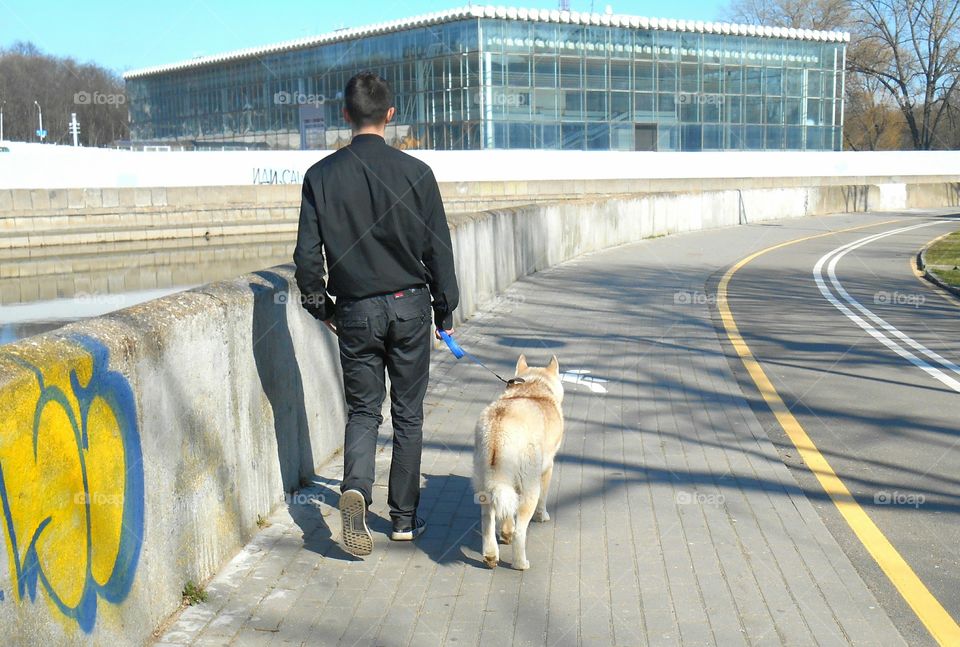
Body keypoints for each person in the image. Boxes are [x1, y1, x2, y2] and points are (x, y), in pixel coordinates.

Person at [293, 71, 459, 557]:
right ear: (390, 115)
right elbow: (439, 251)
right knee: (408, 415)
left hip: (356, 311)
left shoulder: (319, 176)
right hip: (410, 306)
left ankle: (357, 491)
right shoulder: (417, 174)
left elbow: (307, 259)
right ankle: (404, 521)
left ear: (345, 116)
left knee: (364, 411)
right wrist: (445, 312)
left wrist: (320, 306)